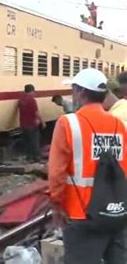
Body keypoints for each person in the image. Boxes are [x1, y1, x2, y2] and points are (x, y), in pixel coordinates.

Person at [49, 68, 127, 263]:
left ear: (81, 91)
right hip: (116, 212)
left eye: (73, 89)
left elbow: (57, 171)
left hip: (81, 213)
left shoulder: (67, 123)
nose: (72, 94)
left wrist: (56, 204)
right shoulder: (119, 125)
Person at [18, 84, 46, 162]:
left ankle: (29, 157)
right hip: (32, 124)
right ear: (32, 91)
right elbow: (36, 112)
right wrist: (42, 121)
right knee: (35, 141)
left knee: (27, 142)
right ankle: (36, 157)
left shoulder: (21, 100)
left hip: (23, 125)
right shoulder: (32, 100)